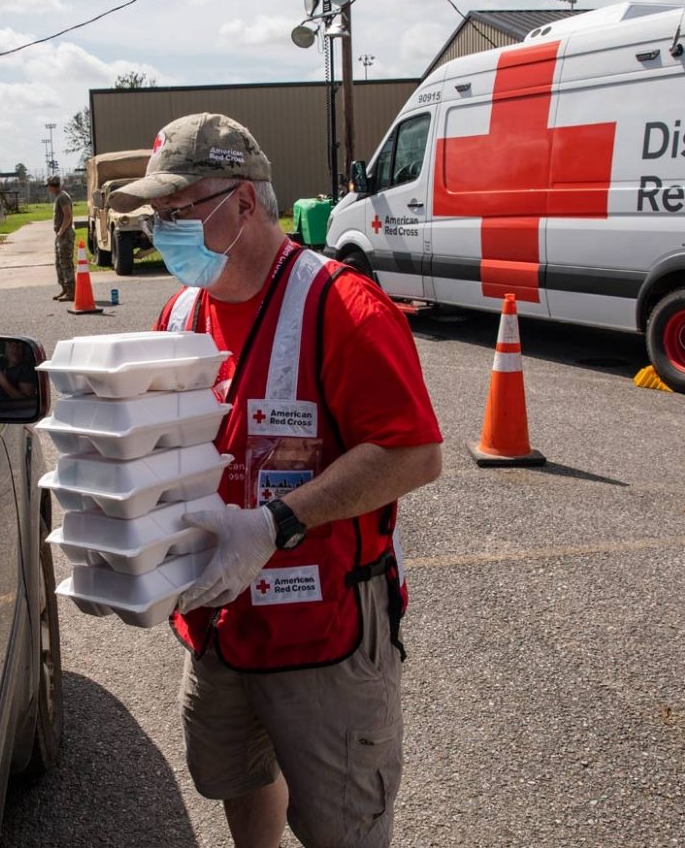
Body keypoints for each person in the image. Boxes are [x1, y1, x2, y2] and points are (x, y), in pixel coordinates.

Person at [108, 113, 443, 848]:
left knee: (341, 820)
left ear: (244, 203)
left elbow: (413, 453)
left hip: (321, 634)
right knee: (238, 774)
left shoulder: (342, 306)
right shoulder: (181, 311)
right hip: (219, 624)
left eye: (177, 211)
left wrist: (273, 526)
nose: (161, 230)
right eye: (156, 215)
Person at [48, 175, 76, 301]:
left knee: (65, 263)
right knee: (59, 263)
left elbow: (68, 216)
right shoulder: (59, 197)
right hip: (61, 235)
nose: (48, 188)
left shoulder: (63, 197)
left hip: (65, 234)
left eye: (48, 186)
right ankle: (65, 289)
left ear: (52, 186)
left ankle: (71, 292)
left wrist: (61, 231)